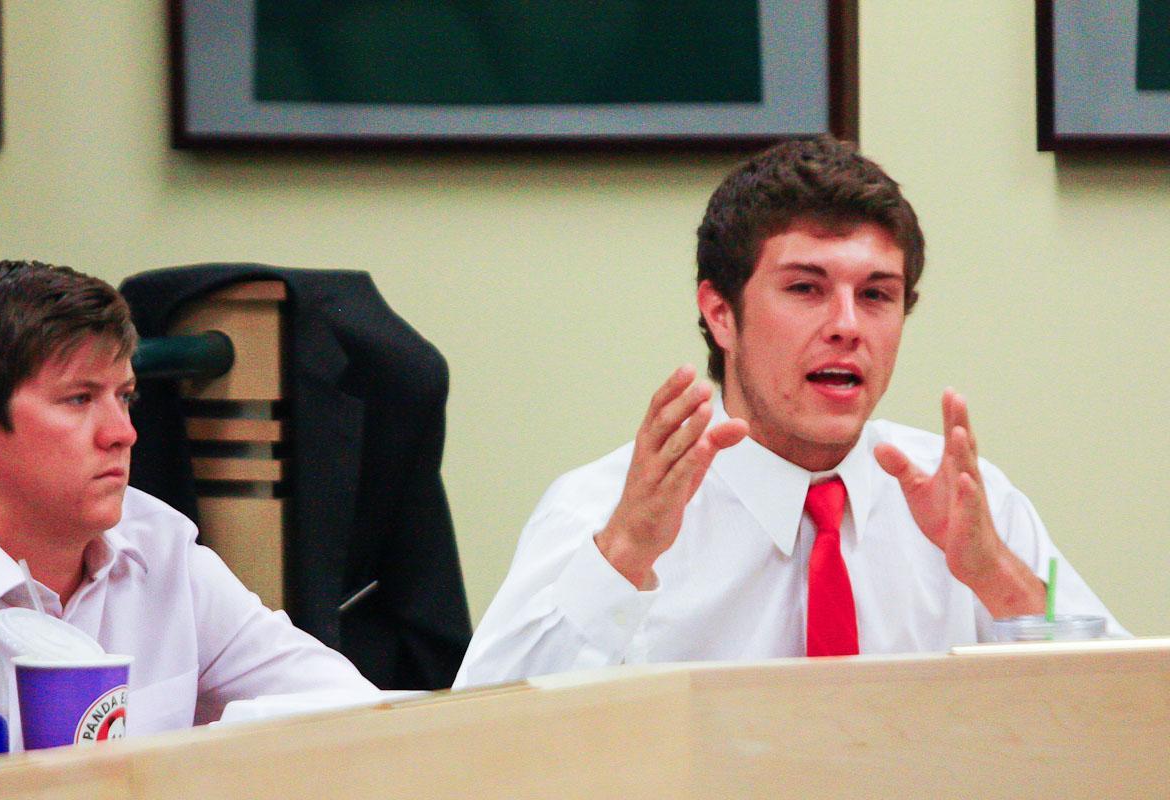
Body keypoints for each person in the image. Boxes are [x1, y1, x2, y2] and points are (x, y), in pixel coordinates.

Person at [455, 137, 1124, 688]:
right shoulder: (603, 511)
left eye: (876, 295)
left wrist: (993, 575)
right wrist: (625, 554)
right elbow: (475, 751)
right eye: (806, 288)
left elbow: (1127, 718)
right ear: (720, 313)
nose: (846, 325)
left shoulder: (971, 506)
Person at [0, 260, 374, 741]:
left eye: (126, 397)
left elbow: (352, 712)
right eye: (79, 399)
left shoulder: (159, 548)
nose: (123, 433)